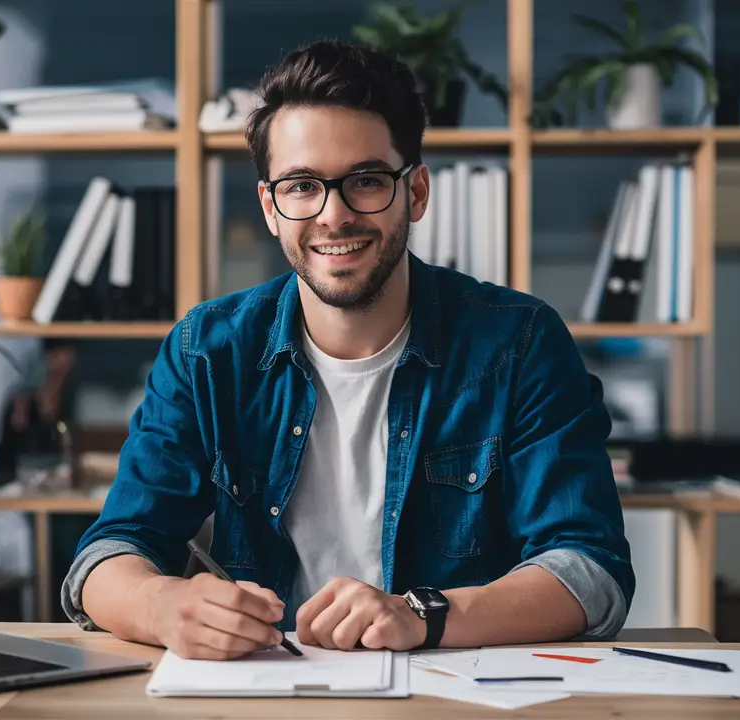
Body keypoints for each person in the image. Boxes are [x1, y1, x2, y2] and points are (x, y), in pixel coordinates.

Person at [61, 39, 633, 660]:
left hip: (452, 697)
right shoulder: (206, 350)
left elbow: (590, 571)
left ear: (415, 192)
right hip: (264, 691)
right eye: (302, 186)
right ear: (271, 208)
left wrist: (422, 613)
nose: (333, 215)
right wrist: (162, 605)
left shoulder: (520, 342)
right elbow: (107, 555)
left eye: (365, 181)